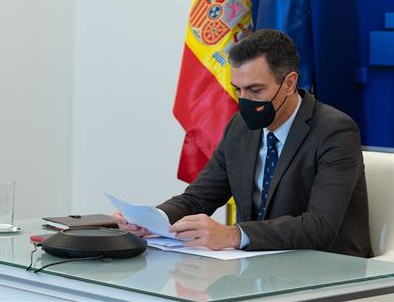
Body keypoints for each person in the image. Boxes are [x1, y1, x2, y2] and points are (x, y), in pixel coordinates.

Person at [113, 29, 373, 258]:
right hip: (259, 267)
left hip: (327, 268)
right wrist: (154, 220)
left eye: (256, 90)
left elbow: (320, 226)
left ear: (289, 83)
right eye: (238, 90)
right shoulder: (240, 126)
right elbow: (199, 197)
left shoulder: (334, 130)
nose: (244, 100)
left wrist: (233, 235)